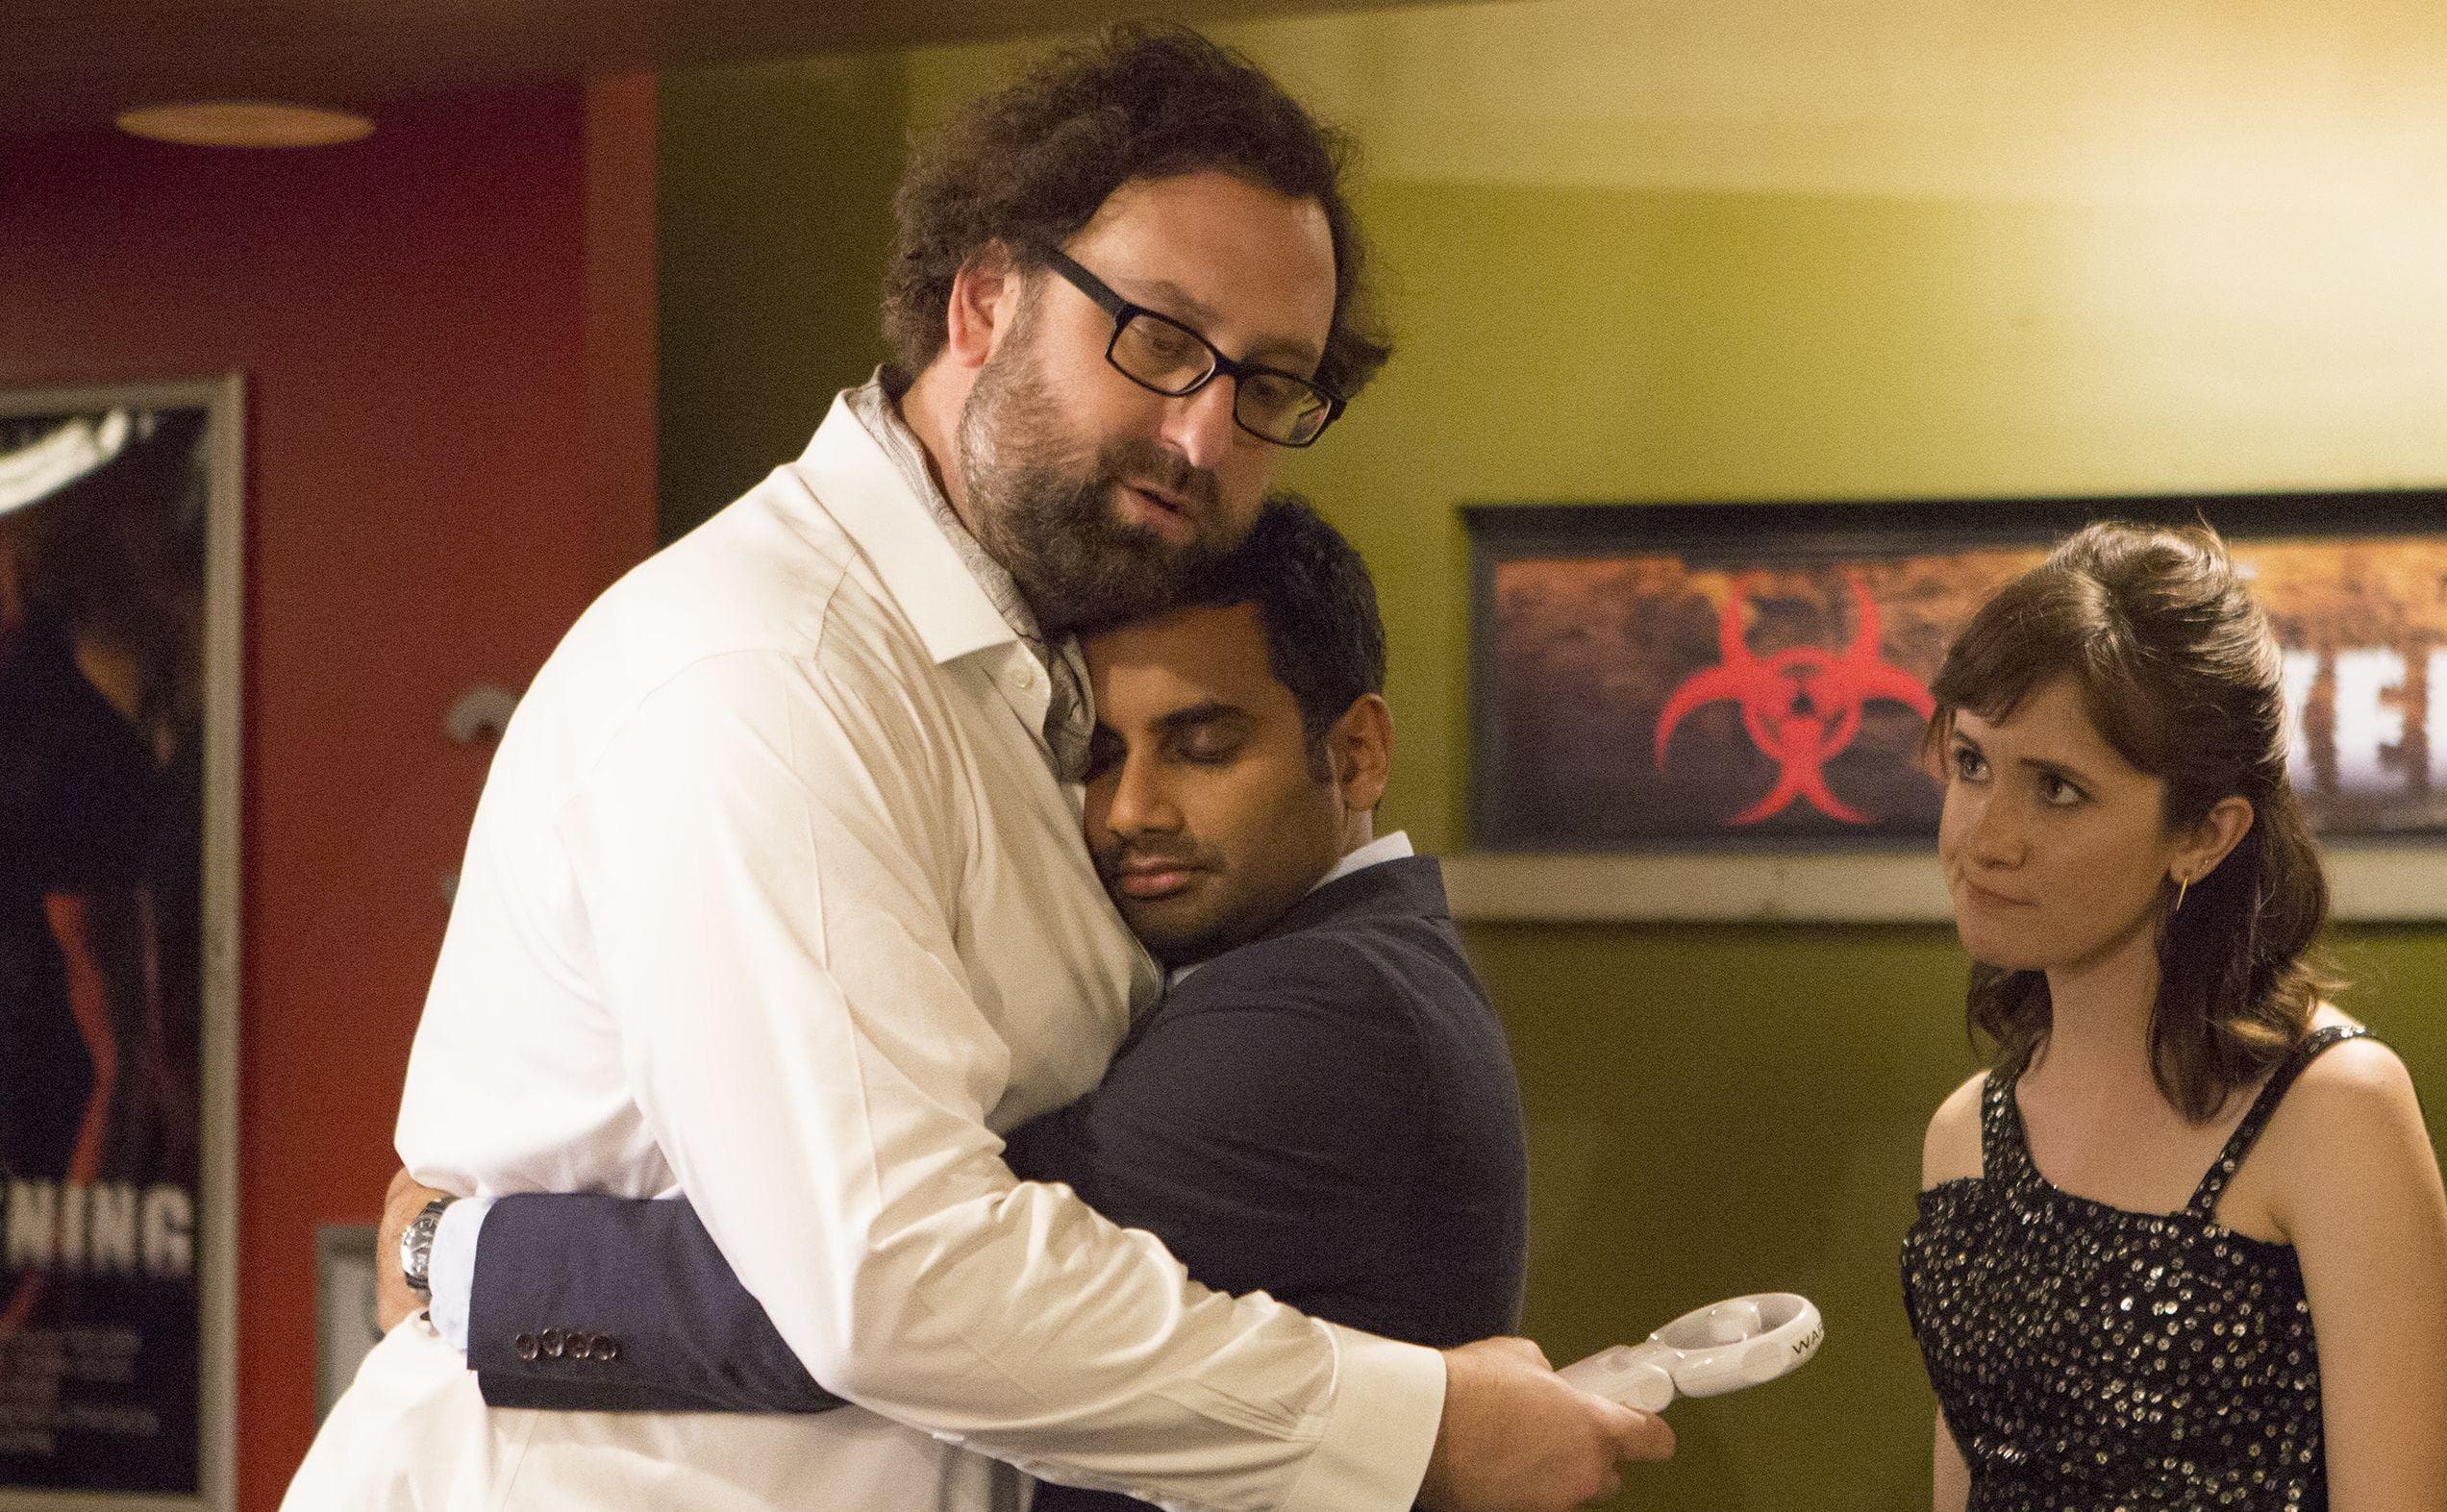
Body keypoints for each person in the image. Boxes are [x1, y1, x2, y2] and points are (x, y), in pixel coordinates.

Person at [286, 25, 1665, 1512]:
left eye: (1271, 384)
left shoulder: (1031, 671)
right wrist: (1415, 1428)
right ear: (983, 298)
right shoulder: (769, 664)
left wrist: (469, 1259)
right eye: (1160, 339)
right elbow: (890, 1276)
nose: (1205, 432)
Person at [372, 498, 1534, 1512]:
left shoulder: (1324, 1016)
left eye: (1203, 747)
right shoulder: (1338, 970)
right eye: (1099, 756)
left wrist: (456, 1253)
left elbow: (917, 1289)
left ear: (1358, 753)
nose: (1131, 810)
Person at [1900, 522, 2447, 1511]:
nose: (1986, 837)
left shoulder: (2334, 1112)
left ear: (2203, 833)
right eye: (1972, 762)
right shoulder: (1966, 1135)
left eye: (2057, 789)